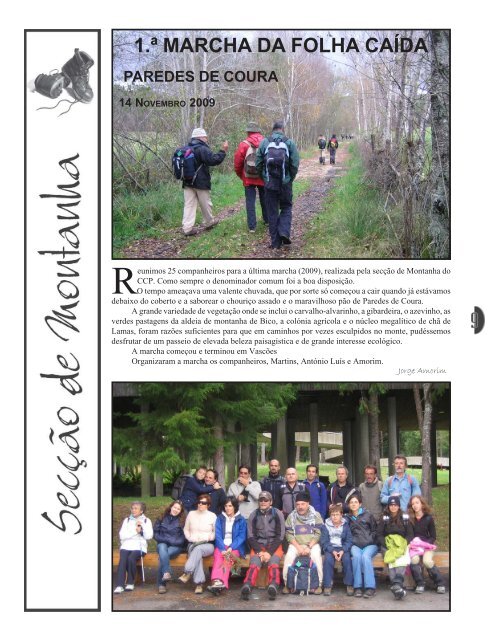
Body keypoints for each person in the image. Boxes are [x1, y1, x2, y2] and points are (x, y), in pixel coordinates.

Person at [256, 121, 300, 250]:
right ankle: (284, 232)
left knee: (272, 211)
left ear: (273, 129)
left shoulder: (264, 142)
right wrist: (289, 179)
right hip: (285, 183)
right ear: (282, 129)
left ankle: (275, 242)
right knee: (286, 207)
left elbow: (258, 163)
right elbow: (295, 164)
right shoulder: (289, 142)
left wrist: (264, 178)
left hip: (270, 183)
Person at [181, 127, 228, 236]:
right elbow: (214, 160)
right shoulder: (202, 149)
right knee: (205, 203)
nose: (206, 138)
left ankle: (187, 228)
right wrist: (223, 151)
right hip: (200, 181)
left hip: (187, 181)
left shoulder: (186, 148)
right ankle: (209, 222)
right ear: (200, 137)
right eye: (205, 136)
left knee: (189, 205)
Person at [241, 491, 286, 601]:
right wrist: (259, 551)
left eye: (266, 500)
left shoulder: (277, 514)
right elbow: (250, 536)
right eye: (261, 500)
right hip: (259, 545)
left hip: (274, 545)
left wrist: (269, 553)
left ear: (270, 502)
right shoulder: (254, 514)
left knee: (274, 562)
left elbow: (280, 536)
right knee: (254, 563)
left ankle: (273, 585)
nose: (263, 502)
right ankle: (247, 585)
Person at [282, 492, 324, 594]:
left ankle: (318, 584)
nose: (300, 507)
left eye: (303, 504)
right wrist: (298, 547)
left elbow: (318, 533)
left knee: (316, 556)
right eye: (298, 504)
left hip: (312, 544)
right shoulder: (291, 516)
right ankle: (288, 584)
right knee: (289, 557)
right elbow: (289, 534)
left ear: (308, 504)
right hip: (296, 544)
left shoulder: (316, 515)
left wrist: (309, 547)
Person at [207, 497, 247, 595]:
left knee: (227, 559)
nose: (227, 508)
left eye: (230, 506)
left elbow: (241, 537)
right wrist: (222, 548)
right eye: (226, 506)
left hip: (235, 547)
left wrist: (231, 547)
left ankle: (219, 582)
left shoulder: (241, 519)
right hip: (221, 545)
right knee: (218, 557)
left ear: (235, 507)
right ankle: (217, 582)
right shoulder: (220, 518)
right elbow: (218, 534)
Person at [179, 493, 217, 594]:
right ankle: (199, 584)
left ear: (208, 505)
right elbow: (186, 529)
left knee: (198, 550)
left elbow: (215, 532)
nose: (200, 504)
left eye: (203, 503)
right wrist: (190, 537)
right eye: (199, 502)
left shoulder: (212, 516)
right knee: (197, 553)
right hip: (193, 543)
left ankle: (187, 572)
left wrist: (208, 538)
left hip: (207, 545)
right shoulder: (191, 514)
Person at [408, 495, 446, 594]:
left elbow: (433, 537)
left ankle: (440, 583)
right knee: (414, 560)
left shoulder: (429, 518)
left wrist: (425, 544)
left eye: (417, 503)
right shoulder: (410, 519)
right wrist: (416, 545)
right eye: (413, 504)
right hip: (415, 547)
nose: (415, 505)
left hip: (427, 546)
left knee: (427, 561)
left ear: (422, 504)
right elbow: (411, 537)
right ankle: (420, 584)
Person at [234, 122, 268, 232]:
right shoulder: (265, 142)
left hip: (248, 177)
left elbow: (238, 163)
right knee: (265, 199)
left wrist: (242, 175)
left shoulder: (243, 144)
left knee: (250, 201)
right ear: (259, 131)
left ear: (248, 132)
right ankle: (267, 220)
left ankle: (252, 227)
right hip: (262, 176)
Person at [114, 501, 153, 593]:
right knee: (123, 560)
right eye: (132, 508)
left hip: (139, 547)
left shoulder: (146, 521)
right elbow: (122, 535)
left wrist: (141, 531)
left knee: (131, 558)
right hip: (126, 545)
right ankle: (119, 585)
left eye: (136, 508)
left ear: (141, 511)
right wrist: (135, 532)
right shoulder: (126, 520)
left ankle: (130, 583)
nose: (133, 510)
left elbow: (149, 536)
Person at [378, 496, 411, 600]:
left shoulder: (404, 517)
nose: (393, 507)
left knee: (401, 559)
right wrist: (387, 545)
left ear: (399, 506)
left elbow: (410, 534)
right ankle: (398, 586)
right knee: (391, 559)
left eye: (395, 505)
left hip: (401, 544)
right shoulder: (384, 517)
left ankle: (396, 586)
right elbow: (379, 534)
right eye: (391, 505)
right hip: (387, 544)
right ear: (388, 506)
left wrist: (404, 544)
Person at [346, 492, 378, 598]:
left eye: (356, 502)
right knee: (356, 557)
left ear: (360, 504)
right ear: (349, 505)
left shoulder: (368, 515)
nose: (354, 504)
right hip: (355, 545)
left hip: (370, 544)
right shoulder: (347, 518)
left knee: (365, 557)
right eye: (351, 502)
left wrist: (370, 540)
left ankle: (370, 587)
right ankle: (358, 587)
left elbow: (375, 530)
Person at [153, 500, 187, 593]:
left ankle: (162, 584)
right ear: (171, 507)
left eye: (178, 509)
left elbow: (183, 538)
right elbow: (155, 533)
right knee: (162, 548)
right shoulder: (161, 517)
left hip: (175, 546)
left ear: (181, 511)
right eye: (175, 507)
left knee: (163, 556)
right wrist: (165, 540)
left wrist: (170, 541)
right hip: (162, 544)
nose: (176, 510)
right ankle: (166, 573)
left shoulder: (182, 521)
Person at [320, 503, 354, 596]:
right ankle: (327, 584)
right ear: (330, 515)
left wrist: (343, 550)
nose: (335, 517)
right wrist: (333, 551)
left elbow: (349, 540)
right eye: (333, 515)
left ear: (341, 515)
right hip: (330, 548)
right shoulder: (325, 525)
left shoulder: (345, 525)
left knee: (347, 560)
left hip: (342, 547)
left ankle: (349, 584)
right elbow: (324, 541)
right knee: (328, 560)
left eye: (337, 514)